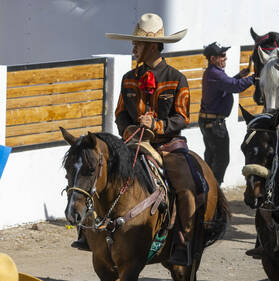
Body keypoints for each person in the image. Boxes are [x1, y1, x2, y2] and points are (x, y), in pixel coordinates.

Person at [106, 13, 202, 266]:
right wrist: (129, 131)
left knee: (186, 186)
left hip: (168, 146)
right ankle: (92, 232)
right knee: (103, 173)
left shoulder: (177, 78)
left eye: (137, 43)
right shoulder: (129, 78)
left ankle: (184, 240)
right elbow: (120, 115)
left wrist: (157, 125)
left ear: (151, 45)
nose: (133, 47)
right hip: (133, 143)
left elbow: (182, 118)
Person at [199, 41, 254, 184]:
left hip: (210, 122)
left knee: (212, 158)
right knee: (222, 159)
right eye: (222, 55)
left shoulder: (213, 73)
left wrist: (239, 76)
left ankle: (208, 188)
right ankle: (214, 189)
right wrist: (253, 78)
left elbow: (226, 86)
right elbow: (234, 87)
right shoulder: (215, 74)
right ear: (213, 59)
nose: (225, 58)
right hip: (215, 124)